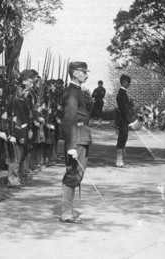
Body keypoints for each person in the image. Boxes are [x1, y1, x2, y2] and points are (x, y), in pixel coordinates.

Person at [60, 61, 92, 224]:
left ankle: (68, 210)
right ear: (75, 74)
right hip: (77, 139)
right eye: (84, 72)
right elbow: (69, 120)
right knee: (73, 174)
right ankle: (66, 212)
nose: (86, 74)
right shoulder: (72, 93)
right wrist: (71, 146)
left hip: (81, 138)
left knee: (76, 174)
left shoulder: (76, 91)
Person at [115, 75, 138, 168]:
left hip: (123, 119)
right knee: (122, 138)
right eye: (129, 83)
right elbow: (124, 109)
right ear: (124, 82)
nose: (129, 85)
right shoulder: (122, 94)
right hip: (123, 120)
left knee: (123, 138)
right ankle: (119, 161)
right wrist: (129, 121)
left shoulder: (122, 93)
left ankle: (120, 160)